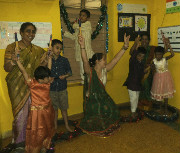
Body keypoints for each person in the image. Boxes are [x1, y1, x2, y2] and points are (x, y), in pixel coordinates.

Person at [4, 22, 47, 150]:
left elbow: (41, 68)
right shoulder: (12, 47)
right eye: (28, 31)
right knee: (20, 115)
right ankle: (18, 143)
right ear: (21, 33)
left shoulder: (38, 50)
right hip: (16, 85)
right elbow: (6, 68)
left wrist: (47, 58)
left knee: (33, 114)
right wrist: (13, 60)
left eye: (33, 32)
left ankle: (31, 140)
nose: (31, 34)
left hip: (32, 86)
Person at [78, 33, 130, 137]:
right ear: (97, 61)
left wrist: (125, 47)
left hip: (102, 97)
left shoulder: (105, 70)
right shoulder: (90, 72)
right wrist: (82, 46)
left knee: (113, 108)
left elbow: (115, 60)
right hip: (92, 99)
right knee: (98, 110)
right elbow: (84, 60)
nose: (105, 61)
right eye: (104, 60)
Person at [15, 50, 55, 153]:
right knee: (36, 131)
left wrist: (49, 58)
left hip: (47, 110)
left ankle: (44, 145)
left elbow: (49, 69)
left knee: (46, 128)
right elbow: (24, 71)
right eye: (47, 77)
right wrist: (17, 61)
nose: (49, 78)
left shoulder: (44, 82)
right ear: (41, 79)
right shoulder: (34, 84)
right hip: (36, 113)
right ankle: (35, 148)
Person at [64, 9, 94, 82]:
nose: (81, 17)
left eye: (83, 16)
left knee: (89, 68)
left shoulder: (87, 24)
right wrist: (65, 34)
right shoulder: (78, 27)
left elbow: (78, 27)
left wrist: (74, 24)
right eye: (80, 15)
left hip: (88, 52)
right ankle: (84, 82)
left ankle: (90, 82)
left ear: (87, 18)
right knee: (82, 68)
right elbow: (74, 37)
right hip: (80, 52)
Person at [49, 39, 73, 132]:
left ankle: (66, 125)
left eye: (60, 49)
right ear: (52, 48)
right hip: (52, 89)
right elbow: (45, 73)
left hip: (62, 88)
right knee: (54, 110)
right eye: (57, 48)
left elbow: (70, 72)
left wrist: (65, 75)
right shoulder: (48, 60)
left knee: (64, 108)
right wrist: (49, 79)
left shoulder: (64, 60)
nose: (59, 50)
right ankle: (55, 127)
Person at [130, 33, 156, 109]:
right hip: (138, 72)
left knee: (147, 85)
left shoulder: (152, 49)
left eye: (146, 39)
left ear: (149, 40)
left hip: (148, 72)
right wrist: (135, 43)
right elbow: (131, 53)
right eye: (143, 39)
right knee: (140, 87)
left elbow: (161, 52)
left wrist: (167, 45)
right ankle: (140, 103)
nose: (144, 41)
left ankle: (148, 103)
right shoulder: (139, 48)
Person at [151, 43, 175, 114]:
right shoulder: (154, 61)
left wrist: (169, 46)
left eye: (160, 54)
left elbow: (172, 54)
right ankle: (160, 108)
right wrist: (154, 77)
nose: (158, 56)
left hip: (166, 78)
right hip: (158, 79)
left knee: (166, 93)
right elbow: (153, 70)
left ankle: (166, 108)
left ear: (162, 54)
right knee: (160, 93)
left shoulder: (164, 59)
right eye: (156, 54)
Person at [123, 47, 146, 117]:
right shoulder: (132, 61)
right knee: (133, 97)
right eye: (139, 55)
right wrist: (136, 44)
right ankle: (133, 112)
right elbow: (133, 55)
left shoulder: (142, 63)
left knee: (136, 97)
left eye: (142, 57)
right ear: (136, 55)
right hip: (131, 83)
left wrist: (146, 71)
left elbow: (142, 73)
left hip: (138, 84)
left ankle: (134, 110)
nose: (140, 58)